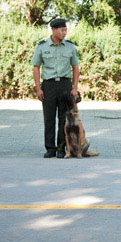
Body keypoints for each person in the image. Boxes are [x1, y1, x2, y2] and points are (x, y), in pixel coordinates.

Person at [31, 18, 79, 158]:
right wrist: (38, 88)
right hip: (49, 85)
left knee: (64, 118)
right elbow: (36, 67)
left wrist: (74, 88)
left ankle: (61, 148)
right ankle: (50, 148)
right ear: (53, 30)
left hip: (65, 85)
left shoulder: (70, 46)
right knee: (49, 118)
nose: (64, 33)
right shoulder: (42, 46)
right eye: (62, 30)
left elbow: (75, 67)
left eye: (65, 30)